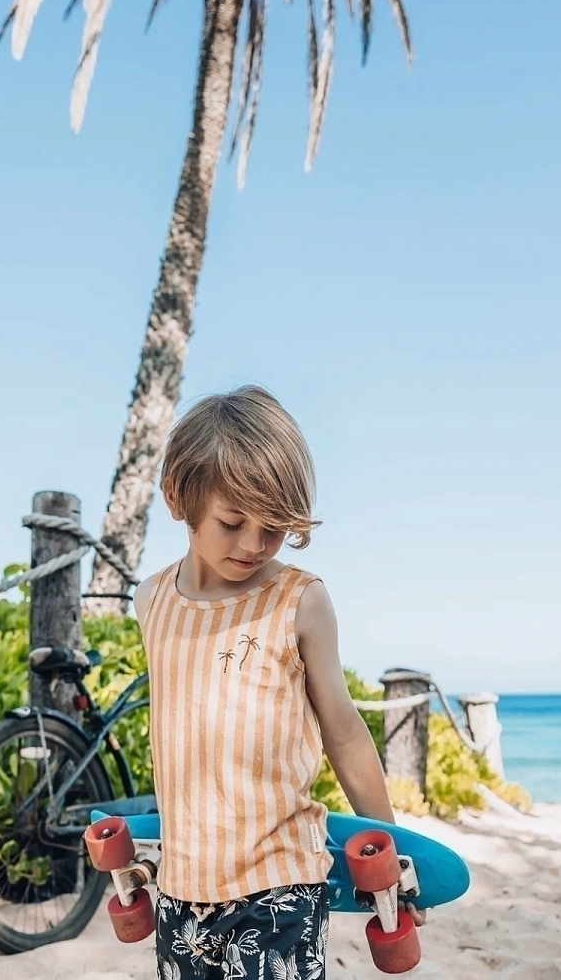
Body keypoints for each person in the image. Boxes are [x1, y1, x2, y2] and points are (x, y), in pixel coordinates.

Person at [133, 385, 425, 980]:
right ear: (177, 498)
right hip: (181, 885)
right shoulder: (151, 601)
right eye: (232, 522)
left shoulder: (299, 601)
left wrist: (389, 850)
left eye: (273, 527)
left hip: (280, 885)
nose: (253, 544)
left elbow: (345, 733)